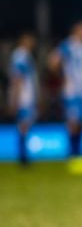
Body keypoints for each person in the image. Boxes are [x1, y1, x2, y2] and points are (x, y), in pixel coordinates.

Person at [49, 19, 82, 175]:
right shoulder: (68, 45)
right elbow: (53, 61)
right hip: (72, 91)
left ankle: (79, 155)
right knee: (73, 122)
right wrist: (62, 77)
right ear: (77, 29)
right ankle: (72, 156)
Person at [8, 32, 38, 167]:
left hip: (28, 97)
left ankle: (24, 156)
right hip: (23, 98)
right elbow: (17, 78)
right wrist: (15, 97)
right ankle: (23, 158)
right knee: (23, 126)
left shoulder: (26, 55)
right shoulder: (20, 55)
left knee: (25, 125)